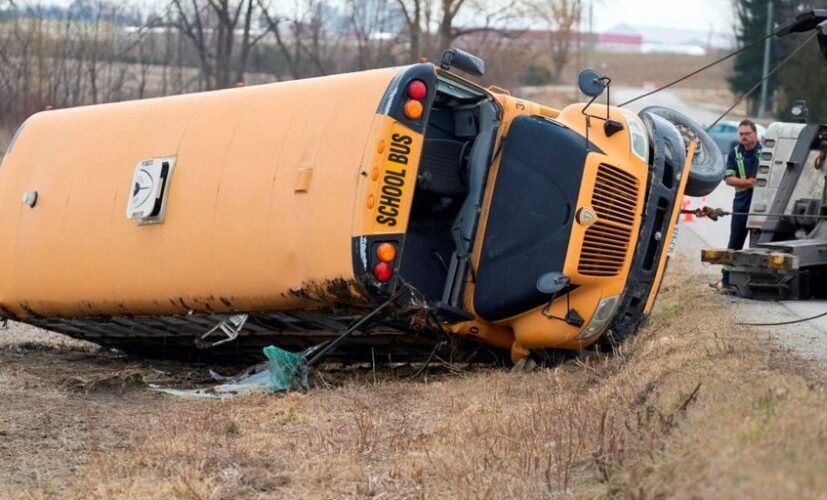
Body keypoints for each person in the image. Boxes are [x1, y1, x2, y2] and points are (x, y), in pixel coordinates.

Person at [717, 119, 762, 290]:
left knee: (758, 243)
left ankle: (755, 279)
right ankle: (726, 279)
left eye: (747, 134)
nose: (744, 137)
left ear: (755, 134)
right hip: (742, 203)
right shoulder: (734, 153)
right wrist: (747, 182)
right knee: (735, 241)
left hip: (761, 203)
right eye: (741, 134)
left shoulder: (766, 152)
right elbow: (728, 179)